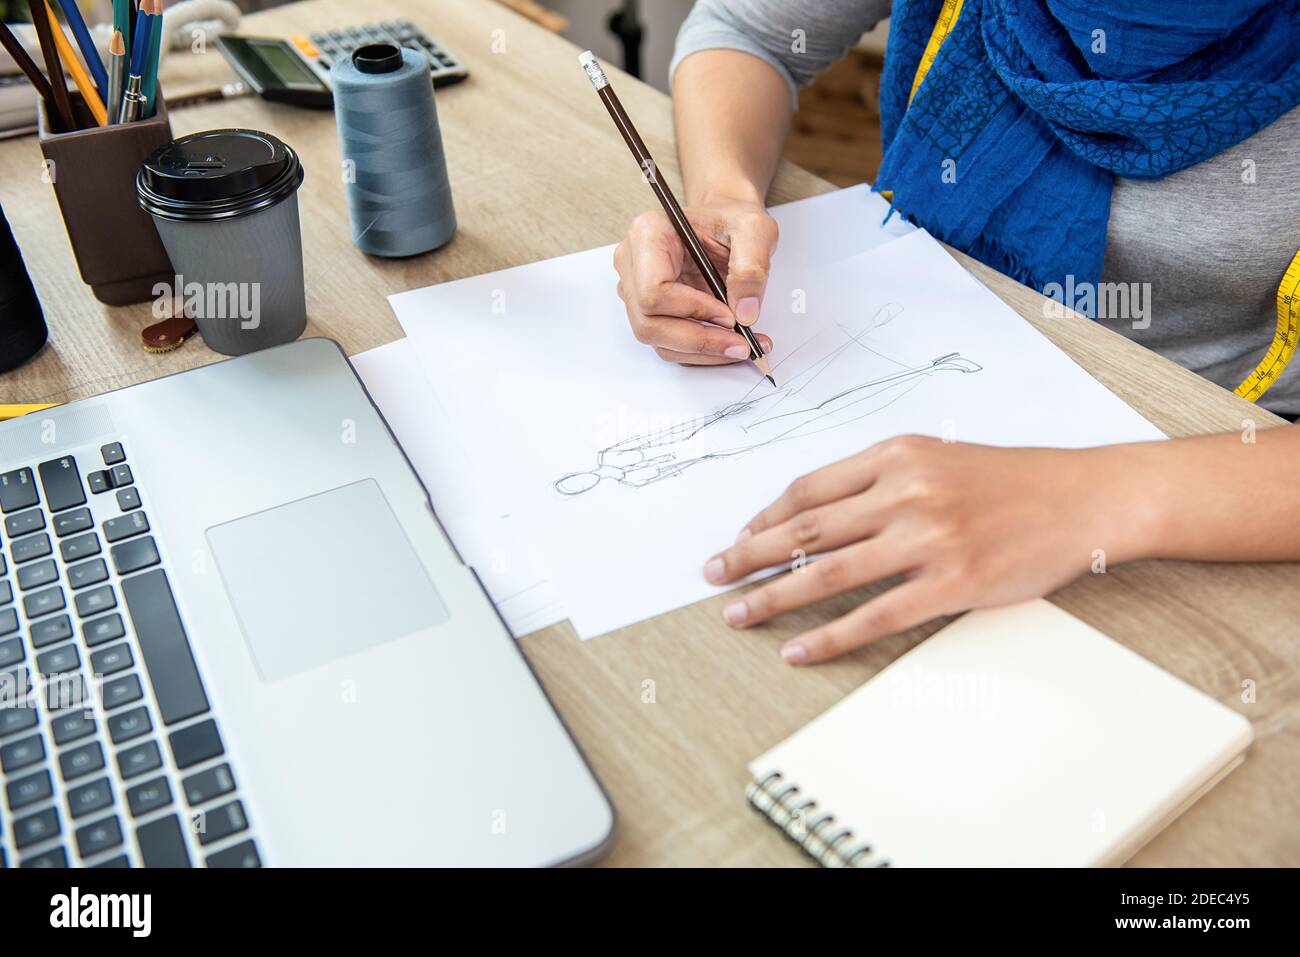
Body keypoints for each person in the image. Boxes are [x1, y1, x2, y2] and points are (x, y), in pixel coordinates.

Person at [612, 0, 1300, 664]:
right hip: (940, 349)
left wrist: (1086, 495)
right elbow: (747, 27)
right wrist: (722, 197)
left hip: (1217, 467)